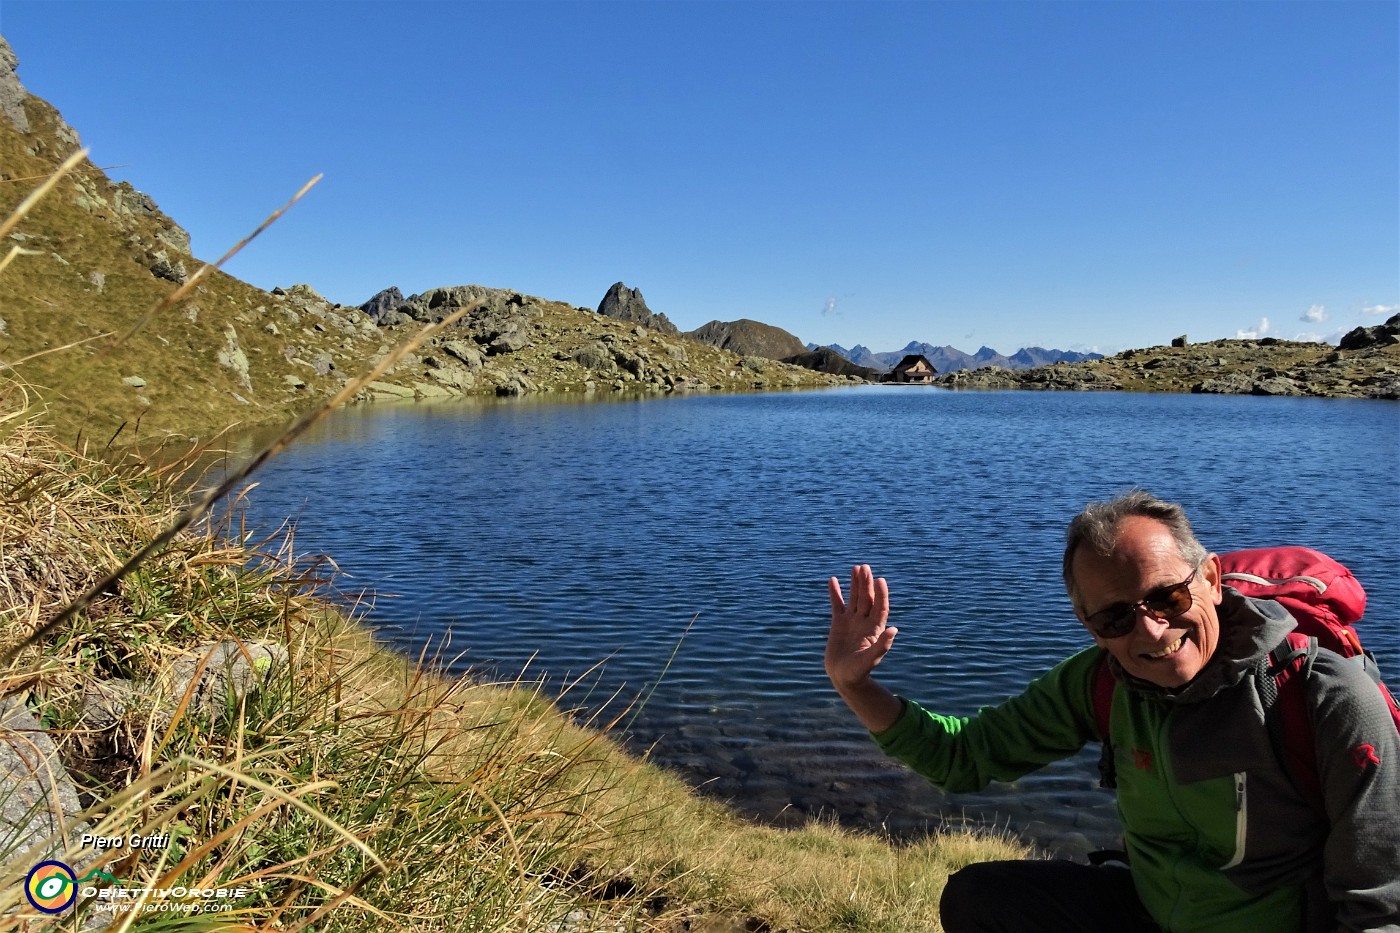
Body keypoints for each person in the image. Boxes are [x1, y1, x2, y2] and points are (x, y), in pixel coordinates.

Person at [825, 490, 1400, 933]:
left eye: (1168, 597)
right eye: (1115, 618)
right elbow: (962, 757)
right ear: (1090, 627)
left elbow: (1379, 904)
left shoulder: (1325, 698)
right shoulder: (1101, 683)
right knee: (980, 900)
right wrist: (854, 684)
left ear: (1211, 578)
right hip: (1151, 913)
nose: (1151, 629)